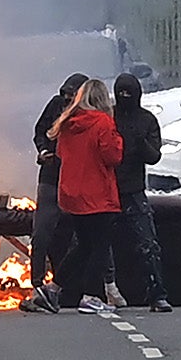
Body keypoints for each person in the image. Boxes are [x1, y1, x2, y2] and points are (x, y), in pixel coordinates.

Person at [46, 79, 124, 315]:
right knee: (99, 247)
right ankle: (91, 296)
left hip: (73, 194)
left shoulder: (67, 123)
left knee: (84, 246)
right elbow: (113, 156)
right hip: (98, 194)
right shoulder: (103, 122)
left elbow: (60, 154)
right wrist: (119, 139)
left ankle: (53, 288)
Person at [21, 73, 88, 312]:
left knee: (78, 236)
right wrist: (43, 150)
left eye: (73, 95)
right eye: (66, 95)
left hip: (77, 181)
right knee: (41, 234)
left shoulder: (89, 114)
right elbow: (40, 131)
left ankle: (76, 288)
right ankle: (37, 286)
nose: (68, 99)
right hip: (50, 177)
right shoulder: (55, 106)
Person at [112, 73, 171, 313]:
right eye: (121, 93)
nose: (125, 97)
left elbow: (154, 156)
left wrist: (139, 142)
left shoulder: (146, 120)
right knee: (89, 243)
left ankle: (157, 294)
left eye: (129, 93)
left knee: (148, 245)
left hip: (134, 192)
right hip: (107, 190)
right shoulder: (108, 116)